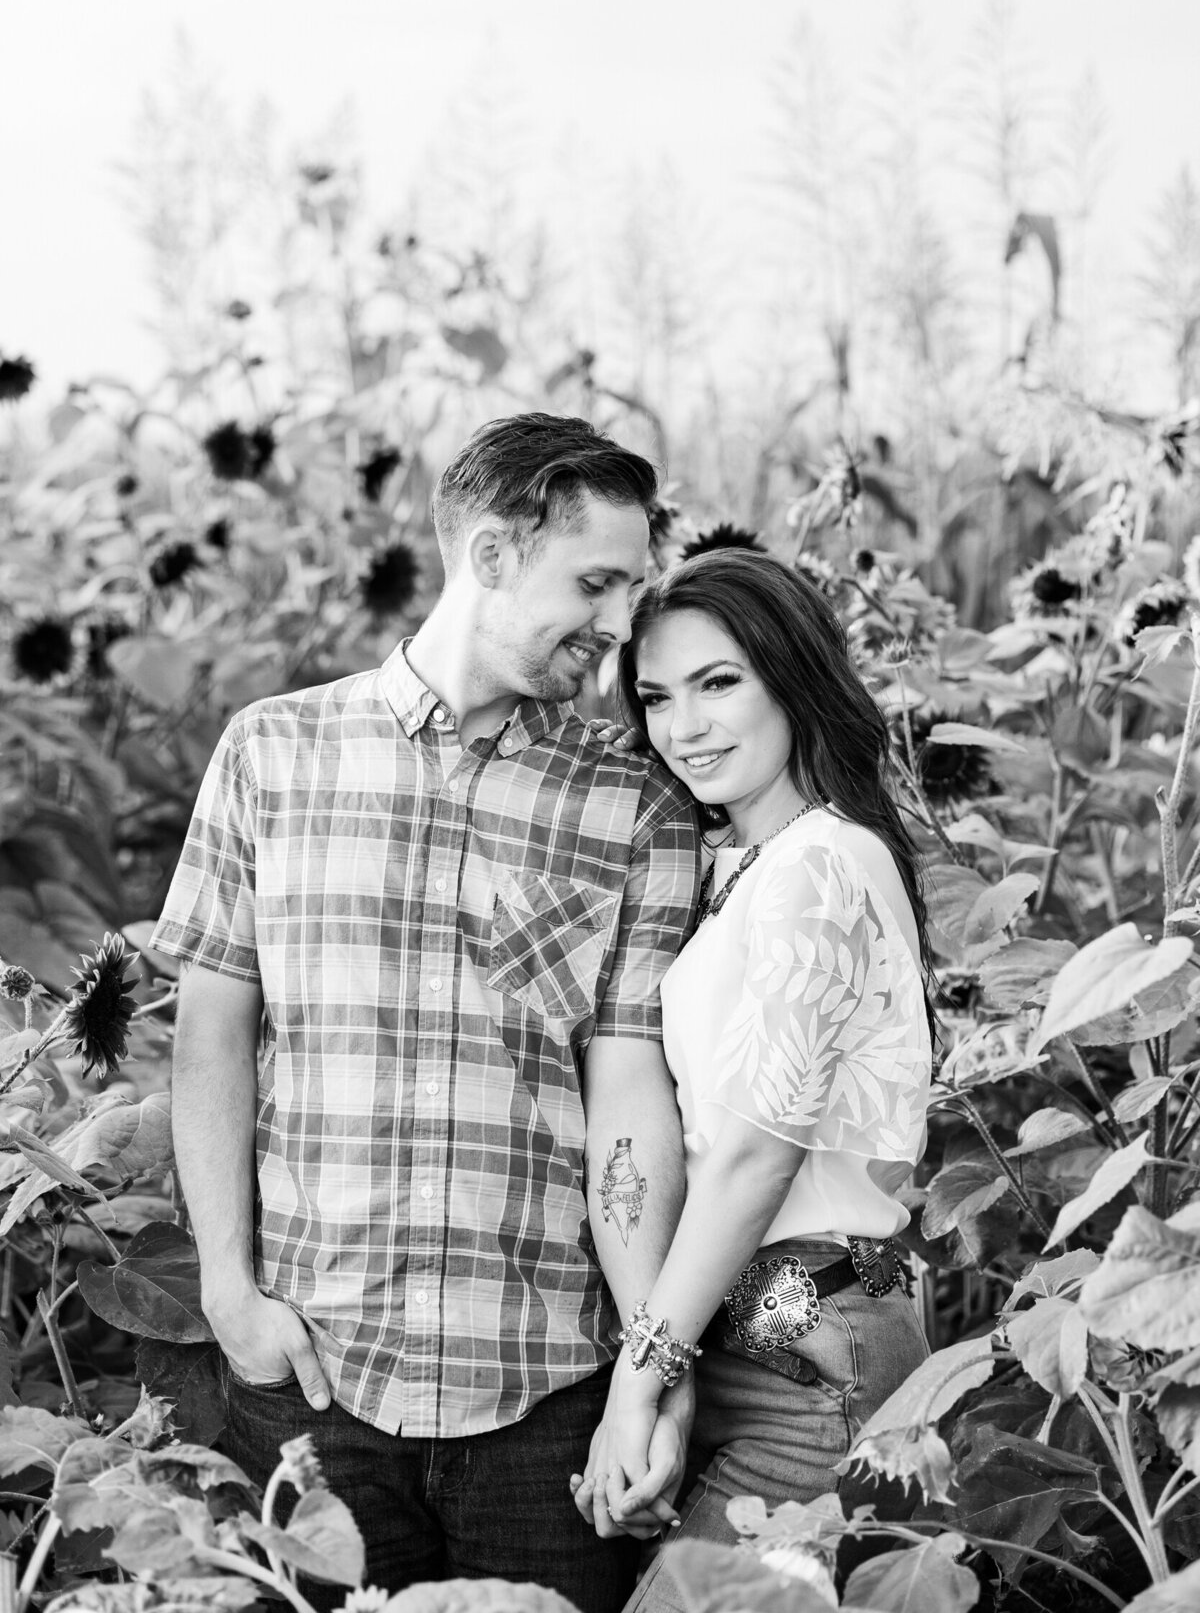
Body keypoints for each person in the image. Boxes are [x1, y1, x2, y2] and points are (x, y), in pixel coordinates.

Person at [151, 412, 703, 1613]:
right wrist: (227, 1292)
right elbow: (211, 1037)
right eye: (595, 582)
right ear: (493, 554)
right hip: (310, 1374)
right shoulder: (272, 755)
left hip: (542, 1389)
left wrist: (650, 1371)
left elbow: (627, 1100)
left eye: (630, 590)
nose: (618, 625)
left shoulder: (637, 806)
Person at [571, 548, 934, 1612]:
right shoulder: (748, 864)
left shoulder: (819, 864)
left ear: (791, 674)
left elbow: (750, 1159)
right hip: (761, 1337)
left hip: (809, 1357)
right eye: (657, 697)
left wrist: (637, 1385)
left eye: (719, 682)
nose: (686, 725)